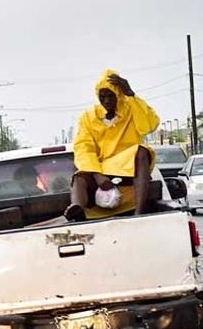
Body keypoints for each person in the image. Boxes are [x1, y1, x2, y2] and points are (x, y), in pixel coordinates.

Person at [65, 69, 160, 221]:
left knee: (142, 152)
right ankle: (77, 209)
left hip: (127, 163)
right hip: (100, 166)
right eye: (102, 97)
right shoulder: (88, 117)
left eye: (111, 96)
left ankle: (139, 213)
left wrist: (131, 94)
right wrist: (98, 176)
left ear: (119, 95)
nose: (107, 101)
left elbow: (149, 125)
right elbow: (84, 148)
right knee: (79, 177)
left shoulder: (131, 108)